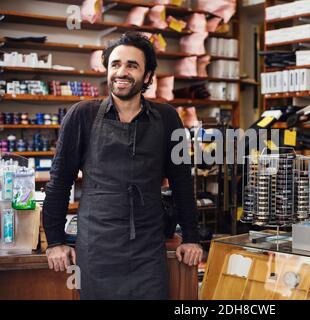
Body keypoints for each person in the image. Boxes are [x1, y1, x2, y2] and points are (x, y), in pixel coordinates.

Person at [43, 32, 202, 300]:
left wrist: (191, 236)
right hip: (97, 247)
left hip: (148, 248)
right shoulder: (82, 114)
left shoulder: (168, 118)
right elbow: (59, 181)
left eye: (132, 65)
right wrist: (55, 241)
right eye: (115, 64)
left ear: (148, 75)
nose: (121, 72)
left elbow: (182, 182)